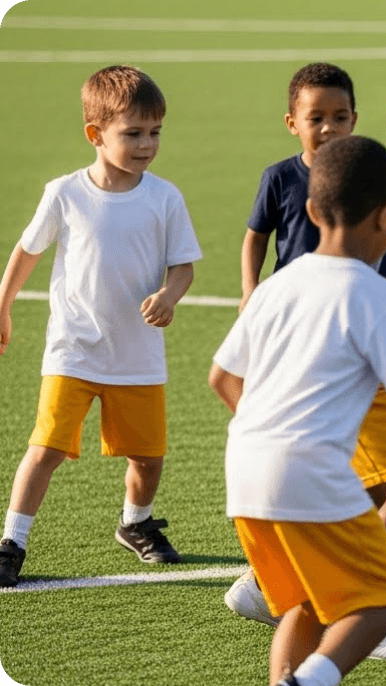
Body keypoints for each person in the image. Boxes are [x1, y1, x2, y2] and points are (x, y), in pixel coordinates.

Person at [209, 136, 386, 686]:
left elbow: (221, 378)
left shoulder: (275, 287)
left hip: (245, 474)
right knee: (382, 597)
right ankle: (308, 682)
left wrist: (266, 435)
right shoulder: (375, 295)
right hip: (308, 472)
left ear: (313, 212)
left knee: (305, 603)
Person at [0, 66, 202, 587]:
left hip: (137, 354)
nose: (147, 144)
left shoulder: (165, 198)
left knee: (148, 459)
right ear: (95, 134)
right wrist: (3, 305)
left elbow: (183, 266)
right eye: (133, 133)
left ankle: (135, 522)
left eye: (155, 132)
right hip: (72, 351)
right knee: (45, 449)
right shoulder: (64, 193)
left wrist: (169, 295)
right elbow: (27, 251)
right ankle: (11, 542)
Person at [239, 62, 357, 312]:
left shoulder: (365, 177)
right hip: (290, 302)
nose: (329, 127)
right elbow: (256, 237)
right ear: (292, 123)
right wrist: (250, 290)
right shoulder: (279, 177)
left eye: (340, 118)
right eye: (316, 119)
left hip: (345, 300)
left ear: (353, 120)